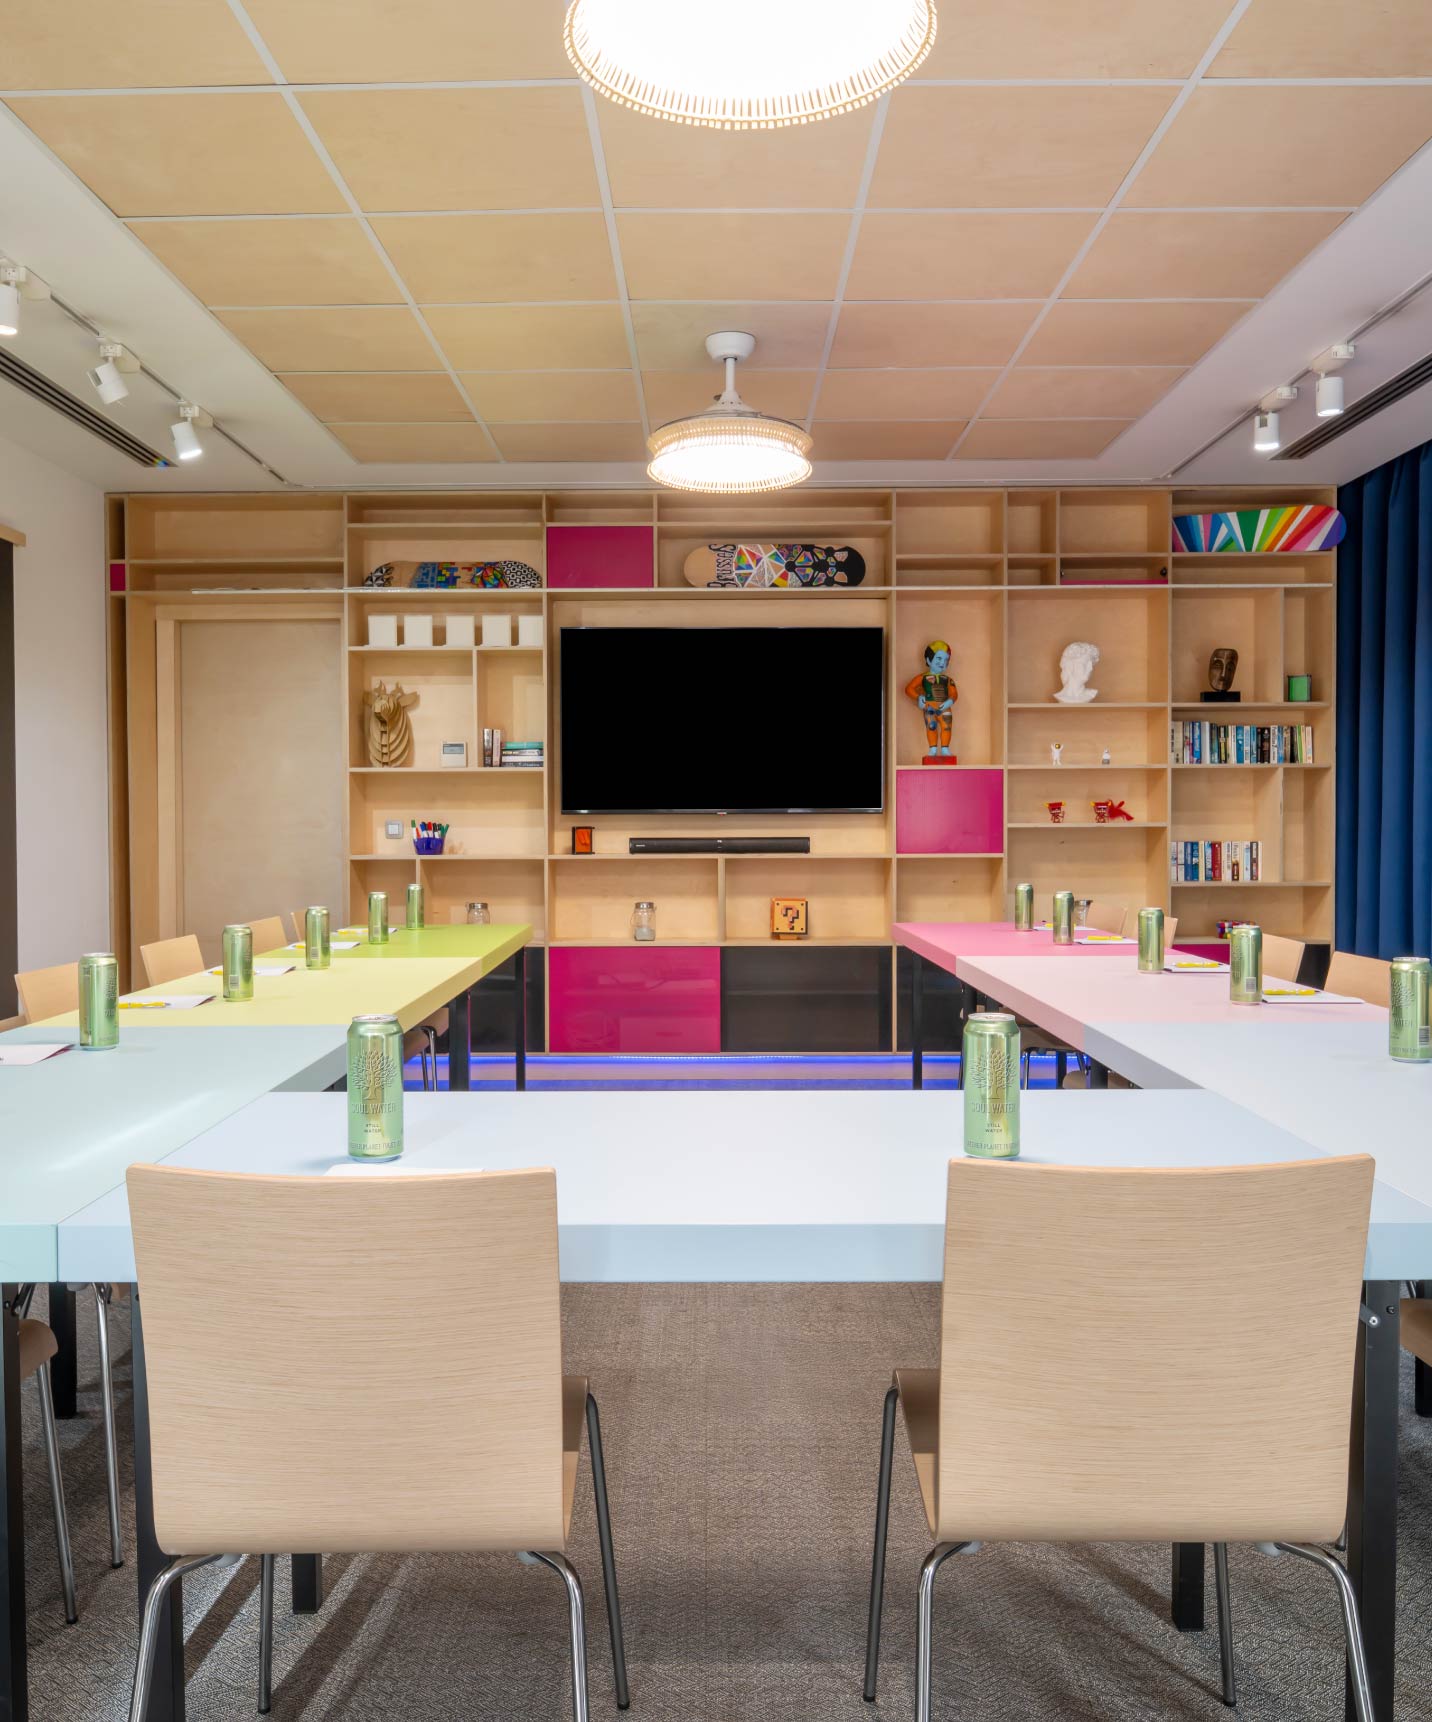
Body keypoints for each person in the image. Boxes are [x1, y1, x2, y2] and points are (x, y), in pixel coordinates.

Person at [905, 640, 958, 759]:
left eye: (945, 660)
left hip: (945, 708)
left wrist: (950, 701)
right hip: (929, 707)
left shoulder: (948, 680)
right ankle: (933, 749)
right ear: (929, 660)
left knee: (946, 727)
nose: (942, 663)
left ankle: (945, 749)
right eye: (939, 658)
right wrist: (919, 697)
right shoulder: (922, 677)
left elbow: (954, 694)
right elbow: (909, 689)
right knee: (931, 726)